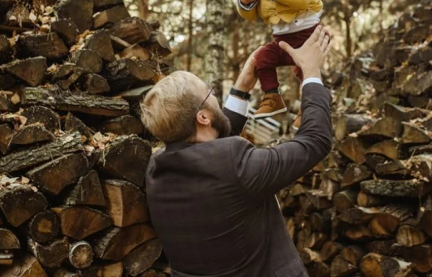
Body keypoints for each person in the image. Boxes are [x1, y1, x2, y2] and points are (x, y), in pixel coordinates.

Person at [141, 25, 333, 277]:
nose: (215, 98)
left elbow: (213, 158)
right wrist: (311, 72)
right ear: (202, 116)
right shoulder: (235, 164)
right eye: (208, 92)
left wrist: (242, 87)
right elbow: (315, 140)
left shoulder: (156, 170)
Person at [236, 0, 323, 124]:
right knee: (262, 58)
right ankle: (272, 96)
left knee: (306, 70)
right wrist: (246, 3)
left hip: (307, 36)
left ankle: (307, 108)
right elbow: (251, 16)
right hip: (282, 40)